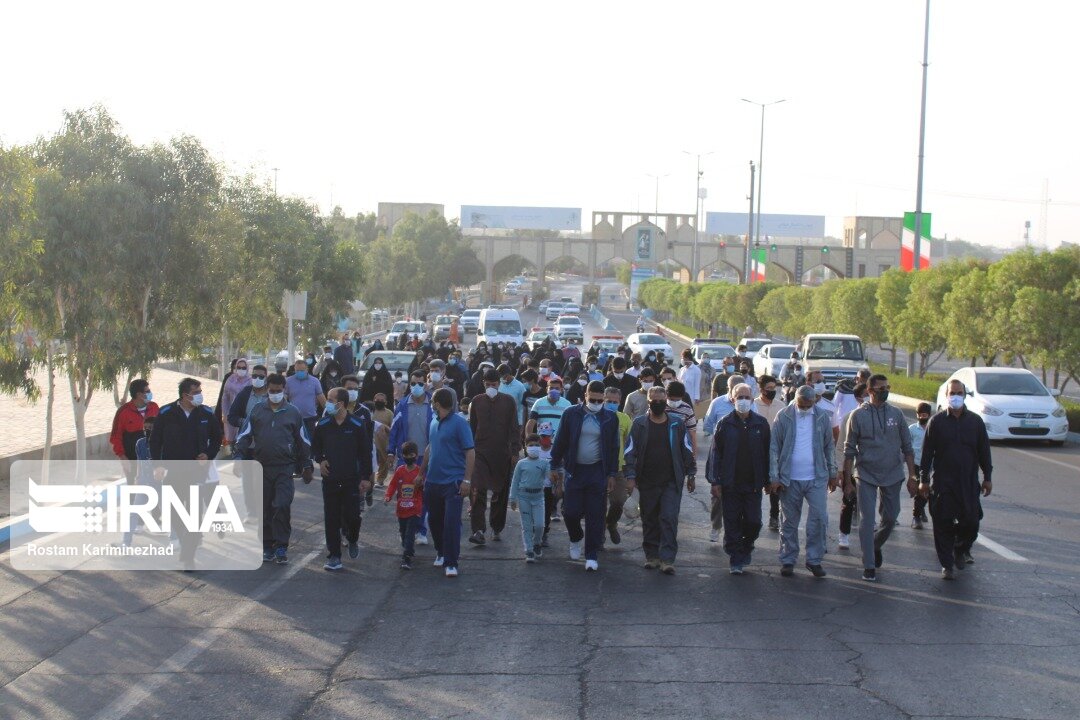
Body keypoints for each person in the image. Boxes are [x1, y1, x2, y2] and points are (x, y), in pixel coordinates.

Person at [842, 374, 917, 582]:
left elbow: (908, 448)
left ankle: (874, 545)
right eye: (881, 388)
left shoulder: (896, 414)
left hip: (892, 473)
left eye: (887, 387)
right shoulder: (858, 416)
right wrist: (847, 481)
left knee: (891, 517)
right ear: (870, 391)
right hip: (865, 474)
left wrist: (913, 476)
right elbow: (849, 451)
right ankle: (869, 564)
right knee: (867, 520)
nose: (885, 390)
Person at [234, 374, 314, 565]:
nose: (275, 394)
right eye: (272, 391)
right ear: (267, 390)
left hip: (285, 468)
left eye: (279, 391)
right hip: (261, 467)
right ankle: (267, 546)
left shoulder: (293, 412)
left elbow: (303, 441)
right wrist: (238, 457)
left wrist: (307, 465)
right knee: (265, 507)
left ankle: (281, 546)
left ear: (284, 390)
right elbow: (244, 435)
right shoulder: (257, 410)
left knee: (281, 504)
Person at [918, 380, 993, 580]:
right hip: (943, 482)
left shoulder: (975, 422)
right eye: (953, 393)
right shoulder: (937, 422)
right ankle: (947, 564)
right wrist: (923, 480)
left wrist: (987, 477)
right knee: (942, 522)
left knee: (971, 521)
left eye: (959, 392)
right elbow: (926, 455)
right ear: (947, 395)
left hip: (968, 482)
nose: (956, 396)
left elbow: (984, 452)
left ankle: (960, 548)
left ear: (965, 395)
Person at [149, 378, 224, 570]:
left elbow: (217, 438)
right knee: (173, 512)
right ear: (185, 395)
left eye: (200, 390)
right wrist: (157, 466)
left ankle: (188, 555)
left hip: (197, 472)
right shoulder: (166, 413)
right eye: (196, 391)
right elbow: (155, 441)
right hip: (172, 472)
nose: (199, 394)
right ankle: (184, 541)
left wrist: (208, 454)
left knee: (194, 515)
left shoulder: (206, 413)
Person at [624, 384, 696, 575]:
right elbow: (630, 451)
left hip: (671, 481)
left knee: (669, 518)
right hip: (647, 481)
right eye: (654, 401)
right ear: (648, 402)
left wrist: (691, 473)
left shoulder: (676, 424)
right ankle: (652, 556)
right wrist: (630, 477)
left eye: (661, 401)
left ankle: (667, 559)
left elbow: (687, 449)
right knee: (649, 519)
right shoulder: (639, 424)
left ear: (666, 402)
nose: (657, 404)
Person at [550, 381, 620, 571]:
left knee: (595, 515)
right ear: (585, 395)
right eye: (593, 399)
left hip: (597, 471)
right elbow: (560, 441)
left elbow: (614, 448)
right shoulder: (571, 414)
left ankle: (591, 554)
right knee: (570, 512)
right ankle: (575, 537)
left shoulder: (610, 418)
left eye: (600, 400)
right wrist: (554, 465)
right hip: (575, 470)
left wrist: (612, 474)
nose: (596, 403)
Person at [768, 385, 838, 578]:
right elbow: (774, 447)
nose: (804, 408)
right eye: (801, 404)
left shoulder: (823, 417)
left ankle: (814, 560)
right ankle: (788, 559)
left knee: (819, 518)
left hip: (816, 477)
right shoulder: (784, 416)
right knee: (789, 521)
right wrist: (774, 477)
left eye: (808, 405)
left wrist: (833, 473)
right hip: (789, 478)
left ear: (814, 401)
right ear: (796, 400)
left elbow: (829, 447)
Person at [707, 382, 770, 574]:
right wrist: (715, 481)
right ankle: (735, 557)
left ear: (752, 399)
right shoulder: (724, 424)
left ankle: (746, 547)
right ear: (733, 399)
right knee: (732, 522)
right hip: (730, 483)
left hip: (753, 484)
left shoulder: (761, 424)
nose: (743, 400)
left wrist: (769, 480)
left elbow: (768, 453)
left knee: (753, 522)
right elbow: (715, 455)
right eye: (739, 397)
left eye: (746, 397)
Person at [312, 387, 372, 572]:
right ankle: (334, 556)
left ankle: (353, 538)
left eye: (330, 399)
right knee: (332, 518)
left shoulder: (356, 424)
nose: (327, 402)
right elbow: (315, 449)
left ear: (341, 404)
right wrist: (321, 460)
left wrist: (366, 478)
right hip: (330, 479)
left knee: (352, 517)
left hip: (351, 479)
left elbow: (365, 453)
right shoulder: (322, 425)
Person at [419, 388, 475, 578]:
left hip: (453, 482)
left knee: (451, 522)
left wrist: (467, 479)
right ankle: (441, 552)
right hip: (433, 481)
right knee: (434, 520)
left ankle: (451, 562)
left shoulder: (460, 423)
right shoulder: (434, 421)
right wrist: (421, 472)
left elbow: (470, 452)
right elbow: (430, 447)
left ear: (436, 403)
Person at [468, 369, 522, 545]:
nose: (491, 387)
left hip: (502, 454)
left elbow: (514, 428)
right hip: (480, 453)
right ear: (483, 384)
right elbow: (472, 428)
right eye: (488, 384)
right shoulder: (476, 401)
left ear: (499, 384)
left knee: (500, 492)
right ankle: (478, 530)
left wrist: (515, 452)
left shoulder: (508, 402)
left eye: (494, 384)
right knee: (477, 490)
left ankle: (497, 527)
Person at [388, 369, 434, 546]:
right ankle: (406, 529)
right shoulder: (402, 405)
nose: (416, 387)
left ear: (426, 383)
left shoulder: (432, 405)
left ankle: (421, 530)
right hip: (406, 459)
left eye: (420, 383)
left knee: (423, 496)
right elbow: (394, 430)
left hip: (427, 458)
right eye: (413, 383)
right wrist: (391, 451)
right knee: (405, 496)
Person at [701, 375, 742, 542]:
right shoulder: (717, 403)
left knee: (739, 494)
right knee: (718, 494)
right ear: (729, 389)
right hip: (721, 454)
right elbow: (708, 424)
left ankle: (734, 530)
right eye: (736, 390)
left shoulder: (749, 402)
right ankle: (716, 526)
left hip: (741, 455)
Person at [836, 382, 868, 549]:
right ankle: (844, 533)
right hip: (853, 467)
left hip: (872, 469)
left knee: (867, 505)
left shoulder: (884, 415)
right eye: (867, 393)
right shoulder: (850, 417)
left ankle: (868, 537)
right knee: (849, 501)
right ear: (858, 398)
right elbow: (841, 445)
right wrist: (841, 470)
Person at [509, 434, 550, 562]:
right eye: (531, 445)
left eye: (537, 445)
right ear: (525, 447)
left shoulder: (544, 463)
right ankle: (529, 550)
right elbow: (515, 481)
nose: (534, 448)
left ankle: (537, 543)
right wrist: (512, 498)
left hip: (538, 498)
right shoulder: (521, 464)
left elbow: (549, 477)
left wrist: (554, 478)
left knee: (539, 525)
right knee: (526, 525)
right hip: (524, 497)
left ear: (540, 446)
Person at [110, 378, 160, 482]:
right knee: (134, 489)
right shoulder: (123, 412)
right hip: (132, 460)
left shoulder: (154, 407)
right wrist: (123, 458)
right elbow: (116, 437)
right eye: (147, 391)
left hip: (153, 459)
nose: (150, 393)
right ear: (139, 394)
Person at [385, 440, 424, 570]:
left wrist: (422, 485)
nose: (408, 458)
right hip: (401, 509)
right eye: (405, 456)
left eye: (411, 455)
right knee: (403, 532)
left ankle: (406, 557)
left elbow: (425, 488)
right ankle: (409, 548)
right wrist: (388, 496)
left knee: (409, 533)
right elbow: (393, 485)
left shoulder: (420, 473)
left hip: (415, 509)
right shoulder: (400, 471)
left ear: (416, 456)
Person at [603, 386, 633, 545]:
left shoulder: (625, 419)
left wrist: (631, 470)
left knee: (618, 501)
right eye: (608, 401)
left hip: (620, 468)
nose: (612, 404)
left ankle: (611, 523)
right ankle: (598, 535)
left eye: (615, 402)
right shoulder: (597, 416)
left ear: (620, 402)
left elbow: (630, 445)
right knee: (598, 505)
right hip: (599, 467)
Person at [285, 358, 327, 446]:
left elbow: (321, 398)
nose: (300, 372)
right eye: (297, 370)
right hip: (294, 418)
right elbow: (284, 399)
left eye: (302, 370)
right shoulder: (288, 381)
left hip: (310, 418)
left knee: (310, 442)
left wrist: (328, 413)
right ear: (294, 370)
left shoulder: (315, 381)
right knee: (294, 442)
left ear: (307, 369)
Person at [909, 402, 933, 529]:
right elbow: (906, 447)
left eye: (925, 415)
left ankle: (921, 509)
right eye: (921, 415)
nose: (923, 417)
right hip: (916, 464)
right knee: (919, 490)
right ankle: (916, 516)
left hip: (930, 465)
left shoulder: (933, 428)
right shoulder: (912, 429)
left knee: (928, 490)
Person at [219, 360, 251, 451]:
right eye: (239, 367)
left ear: (247, 368)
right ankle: (231, 458)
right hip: (231, 414)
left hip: (244, 414)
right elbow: (224, 398)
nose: (241, 369)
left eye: (244, 368)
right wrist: (224, 414)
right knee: (230, 440)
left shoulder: (250, 381)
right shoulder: (230, 379)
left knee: (241, 438)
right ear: (235, 368)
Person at [369, 392, 395, 488]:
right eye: (377, 400)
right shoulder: (370, 411)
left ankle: (380, 480)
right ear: (373, 400)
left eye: (381, 400)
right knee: (371, 460)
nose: (379, 402)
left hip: (383, 441)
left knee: (383, 462)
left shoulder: (389, 413)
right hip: (370, 440)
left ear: (386, 402)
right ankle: (370, 479)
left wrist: (384, 427)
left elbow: (393, 428)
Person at [497, 363, 528, 427]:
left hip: (516, 421)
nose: (500, 378)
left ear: (507, 375)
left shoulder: (520, 386)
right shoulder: (499, 384)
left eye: (501, 376)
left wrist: (522, 423)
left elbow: (524, 406)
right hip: (501, 421)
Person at [677, 349, 702, 414]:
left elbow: (697, 385)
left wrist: (697, 398)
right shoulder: (682, 369)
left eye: (683, 358)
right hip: (680, 397)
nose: (682, 360)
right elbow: (678, 381)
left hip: (691, 398)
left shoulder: (696, 370)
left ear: (687, 358)